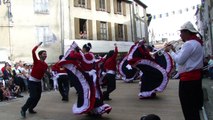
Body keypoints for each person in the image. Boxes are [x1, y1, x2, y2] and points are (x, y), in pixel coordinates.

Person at [165, 21, 204, 120]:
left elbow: (179, 60)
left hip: (188, 81)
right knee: (194, 108)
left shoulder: (189, 44)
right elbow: (185, 58)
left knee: (188, 109)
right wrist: (174, 51)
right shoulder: (197, 43)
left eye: (182, 32)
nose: (180, 35)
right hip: (195, 79)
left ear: (187, 32)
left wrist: (169, 51)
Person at [20, 42, 48, 118]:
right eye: (44, 54)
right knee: (33, 96)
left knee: (38, 97)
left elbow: (43, 72)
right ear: (40, 55)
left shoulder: (46, 65)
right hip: (32, 82)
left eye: (46, 54)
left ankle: (31, 108)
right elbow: (33, 51)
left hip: (38, 82)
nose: (45, 55)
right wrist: (38, 45)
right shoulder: (36, 61)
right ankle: (23, 109)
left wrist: (45, 74)